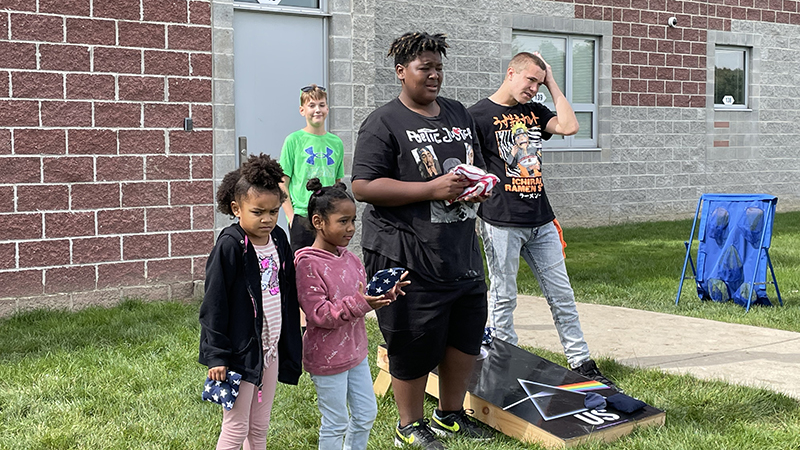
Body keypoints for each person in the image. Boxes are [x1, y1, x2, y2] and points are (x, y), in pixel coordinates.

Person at [351, 31, 494, 449]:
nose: (434, 76)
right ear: (401, 72)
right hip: (403, 248)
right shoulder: (384, 122)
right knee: (412, 338)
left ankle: (449, 414)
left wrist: (482, 184)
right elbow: (362, 186)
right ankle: (409, 425)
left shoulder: (457, 113)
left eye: (438, 68)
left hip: (458, 246)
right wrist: (430, 190)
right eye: (424, 68)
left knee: (466, 333)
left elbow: (477, 165)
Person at [468, 52, 617, 388]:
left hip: (541, 221)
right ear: (511, 73)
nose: (533, 88)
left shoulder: (533, 111)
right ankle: (504, 361)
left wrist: (552, 82)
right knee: (504, 295)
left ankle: (582, 362)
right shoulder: (477, 115)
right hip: (501, 221)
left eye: (538, 82)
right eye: (529, 80)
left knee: (561, 294)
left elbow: (569, 126)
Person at [295, 178, 409, 450]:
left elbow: (361, 297)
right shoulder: (307, 264)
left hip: (355, 353)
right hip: (327, 359)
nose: (351, 228)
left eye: (353, 220)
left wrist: (381, 296)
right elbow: (321, 314)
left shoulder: (350, 258)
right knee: (336, 422)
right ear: (318, 222)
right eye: (343, 221)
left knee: (366, 414)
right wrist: (361, 303)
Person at [199, 154, 302, 449]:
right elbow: (214, 304)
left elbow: (288, 292)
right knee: (236, 426)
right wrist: (217, 355)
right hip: (239, 354)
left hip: (269, 351)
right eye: (258, 212)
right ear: (237, 209)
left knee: (259, 427)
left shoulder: (280, 240)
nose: (267, 219)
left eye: (273, 211)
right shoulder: (231, 246)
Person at [279, 84, 345, 254]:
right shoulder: (293, 140)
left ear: (328, 109)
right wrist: (291, 217)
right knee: (303, 267)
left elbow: (337, 182)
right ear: (302, 110)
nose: (318, 110)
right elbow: (282, 183)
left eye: (322, 105)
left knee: (330, 262)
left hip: (329, 215)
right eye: (312, 105)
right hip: (302, 216)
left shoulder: (336, 142)